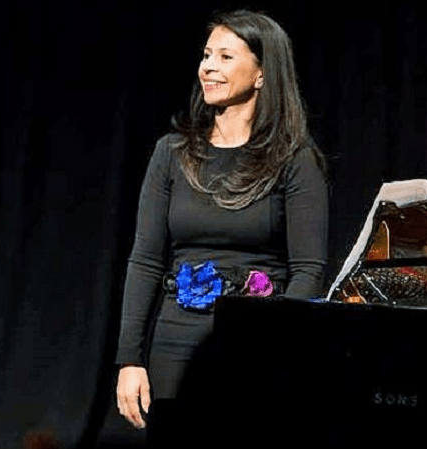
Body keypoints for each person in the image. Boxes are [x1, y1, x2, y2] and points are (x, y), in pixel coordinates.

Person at [114, 9, 328, 445]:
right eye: (206, 55)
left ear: (263, 74)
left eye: (225, 57)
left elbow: (308, 269)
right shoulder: (171, 153)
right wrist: (129, 360)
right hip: (175, 341)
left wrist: (277, 349)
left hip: (258, 346)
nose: (208, 67)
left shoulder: (295, 159)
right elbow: (146, 260)